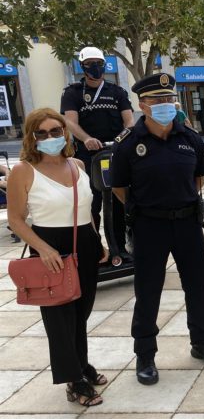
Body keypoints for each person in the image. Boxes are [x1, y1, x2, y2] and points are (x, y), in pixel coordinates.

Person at [110, 74, 204, 385]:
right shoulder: (128, 144)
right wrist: (147, 206)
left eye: (168, 99)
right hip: (149, 225)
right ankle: (145, 354)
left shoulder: (189, 138)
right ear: (142, 105)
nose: (165, 105)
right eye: (157, 100)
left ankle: (202, 343)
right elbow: (119, 187)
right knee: (148, 292)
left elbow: (199, 179)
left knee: (197, 287)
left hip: (187, 222)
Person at [7, 108, 108, 406]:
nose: (51, 137)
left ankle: (82, 364)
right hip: (50, 247)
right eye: (43, 133)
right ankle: (73, 380)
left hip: (85, 244)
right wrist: (44, 247)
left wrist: (97, 239)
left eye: (56, 131)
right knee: (59, 320)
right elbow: (15, 219)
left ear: (64, 133)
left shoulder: (77, 164)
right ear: (32, 137)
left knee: (81, 313)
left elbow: (86, 209)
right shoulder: (23, 171)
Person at [61, 46, 134, 259]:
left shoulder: (117, 91)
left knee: (119, 202)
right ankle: (94, 251)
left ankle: (120, 248)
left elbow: (129, 120)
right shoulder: (73, 92)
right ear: (82, 66)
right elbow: (69, 121)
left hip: (115, 152)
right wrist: (87, 139)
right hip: (88, 156)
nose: (95, 67)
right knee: (91, 205)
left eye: (99, 63)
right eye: (90, 64)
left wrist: (123, 138)